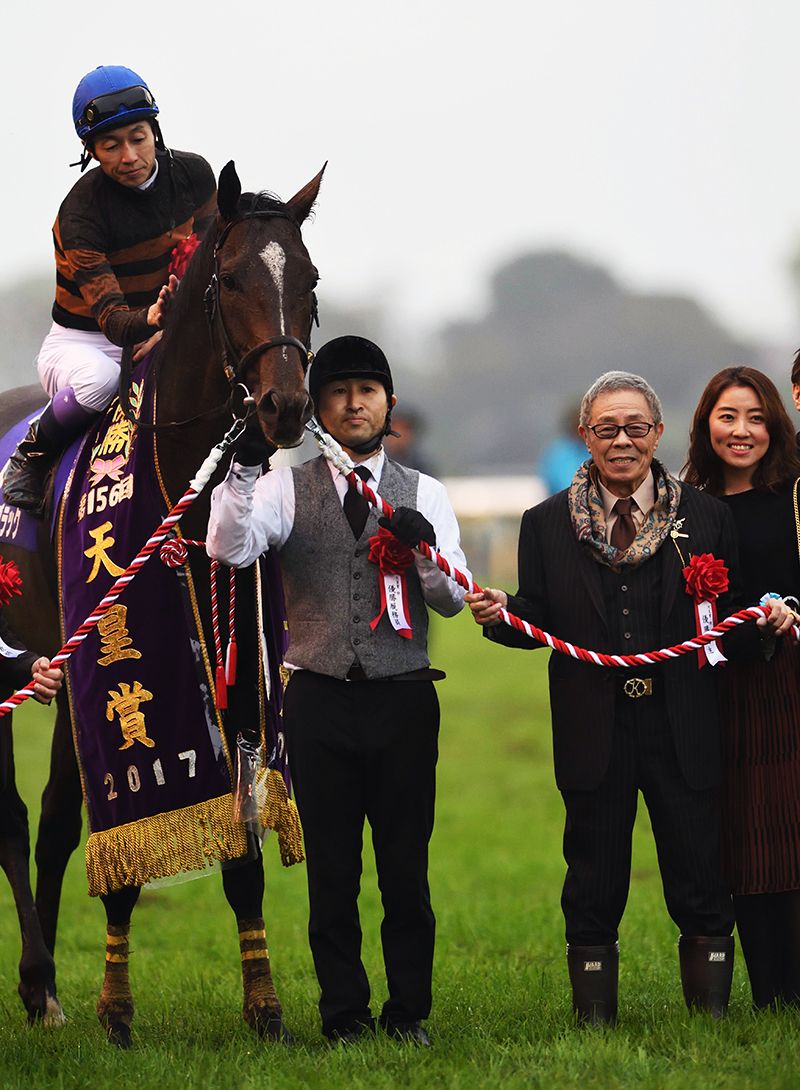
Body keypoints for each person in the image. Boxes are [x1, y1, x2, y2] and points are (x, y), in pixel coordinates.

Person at [466, 370, 794, 1025]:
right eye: (608, 428)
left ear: (659, 434)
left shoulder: (708, 518)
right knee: (593, 875)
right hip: (593, 727)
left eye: (636, 427)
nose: (623, 440)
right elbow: (538, 616)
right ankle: (595, 1019)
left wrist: (767, 627)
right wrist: (502, 613)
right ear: (585, 436)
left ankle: (710, 1016)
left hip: (685, 724)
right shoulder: (544, 525)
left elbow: (725, 618)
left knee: (699, 872)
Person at [206, 335, 468, 1045]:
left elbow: (450, 600)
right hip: (318, 698)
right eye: (339, 392)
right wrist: (239, 474)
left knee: (406, 872)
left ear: (389, 406)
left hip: (405, 697)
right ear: (318, 407)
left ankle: (408, 1012)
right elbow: (229, 547)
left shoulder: (427, 493)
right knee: (332, 873)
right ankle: (344, 1014)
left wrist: (426, 549)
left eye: (368, 391)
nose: (355, 402)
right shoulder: (287, 486)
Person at [3, 65, 216, 516]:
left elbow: (209, 263)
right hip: (85, 342)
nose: (129, 156)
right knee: (99, 382)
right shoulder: (80, 213)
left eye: (138, 138)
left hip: (165, 327)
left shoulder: (195, 176)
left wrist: (171, 325)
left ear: (155, 131)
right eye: (110, 145)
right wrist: (153, 321)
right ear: (91, 151)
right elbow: (113, 319)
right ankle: (32, 455)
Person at [683, 366, 800, 1008]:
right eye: (728, 416)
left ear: (774, 425)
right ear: (706, 422)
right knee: (748, 835)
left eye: (756, 417)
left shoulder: (795, 497)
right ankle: (771, 991)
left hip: (790, 681)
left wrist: (790, 610)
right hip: (724, 691)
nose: (742, 431)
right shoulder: (686, 511)